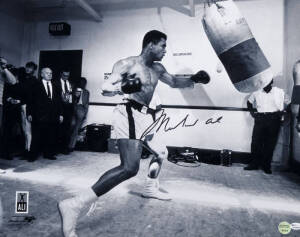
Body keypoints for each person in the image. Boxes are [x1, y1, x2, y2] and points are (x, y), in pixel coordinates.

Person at [58, 30, 210, 237]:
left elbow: (174, 82)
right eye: (163, 45)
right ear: (150, 45)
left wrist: (194, 79)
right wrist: (122, 87)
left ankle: (150, 187)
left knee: (161, 153)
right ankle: (74, 205)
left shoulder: (158, 68)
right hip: (129, 112)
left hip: (147, 117)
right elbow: (105, 86)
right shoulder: (127, 64)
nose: (165, 50)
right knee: (129, 168)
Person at [244, 79, 290, 174]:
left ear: (271, 82)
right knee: (256, 142)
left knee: (270, 143)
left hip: (274, 119)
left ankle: (266, 166)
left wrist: (284, 113)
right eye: (263, 82)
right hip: (260, 118)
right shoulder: (256, 92)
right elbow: (249, 102)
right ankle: (254, 164)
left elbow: (289, 103)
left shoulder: (279, 91)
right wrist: (253, 113)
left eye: (267, 82)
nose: (265, 84)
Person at [27, 68, 64, 161]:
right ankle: (32, 156)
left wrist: (61, 114)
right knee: (36, 136)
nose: (49, 75)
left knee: (51, 135)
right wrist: (29, 113)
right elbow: (30, 100)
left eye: (51, 73)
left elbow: (59, 102)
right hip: (38, 115)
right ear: (42, 74)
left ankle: (49, 154)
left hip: (53, 115)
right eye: (47, 73)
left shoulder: (56, 86)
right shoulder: (35, 85)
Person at [18, 62, 38, 157]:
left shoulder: (34, 80)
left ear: (34, 70)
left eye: (30, 68)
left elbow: (32, 97)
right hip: (21, 105)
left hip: (28, 106)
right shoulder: (23, 78)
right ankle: (26, 149)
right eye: (27, 67)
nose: (28, 69)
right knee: (23, 129)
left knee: (28, 129)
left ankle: (29, 150)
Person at [68, 77, 89, 152]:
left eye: (84, 83)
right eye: (81, 82)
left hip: (81, 109)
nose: (82, 84)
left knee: (76, 129)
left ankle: (71, 146)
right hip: (73, 109)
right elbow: (70, 100)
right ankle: (66, 144)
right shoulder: (73, 90)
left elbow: (86, 104)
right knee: (71, 125)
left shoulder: (87, 92)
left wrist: (85, 114)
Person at [57, 69, 74, 154]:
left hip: (68, 109)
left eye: (67, 76)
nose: (66, 77)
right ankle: (56, 148)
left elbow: (72, 96)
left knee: (67, 129)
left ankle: (65, 148)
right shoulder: (56, 83)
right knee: (58, 129)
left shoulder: (70, 83)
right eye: (64, 75)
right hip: (59, 109)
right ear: (61, 74)